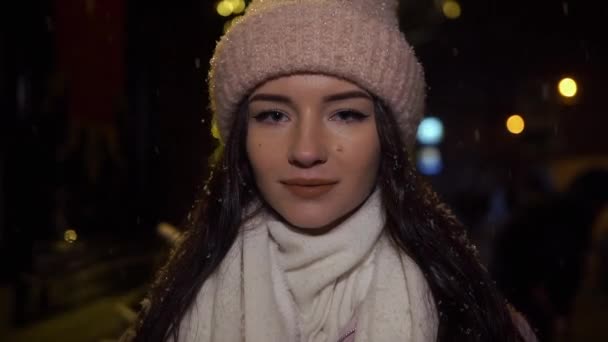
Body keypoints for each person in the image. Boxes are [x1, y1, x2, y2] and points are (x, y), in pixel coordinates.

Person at [125, 0, 535, 341]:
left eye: (344, 114)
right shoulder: (166, 320)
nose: (306, 150)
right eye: (272, 115)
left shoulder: (480, 325)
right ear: (241, 140)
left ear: (388, 138)